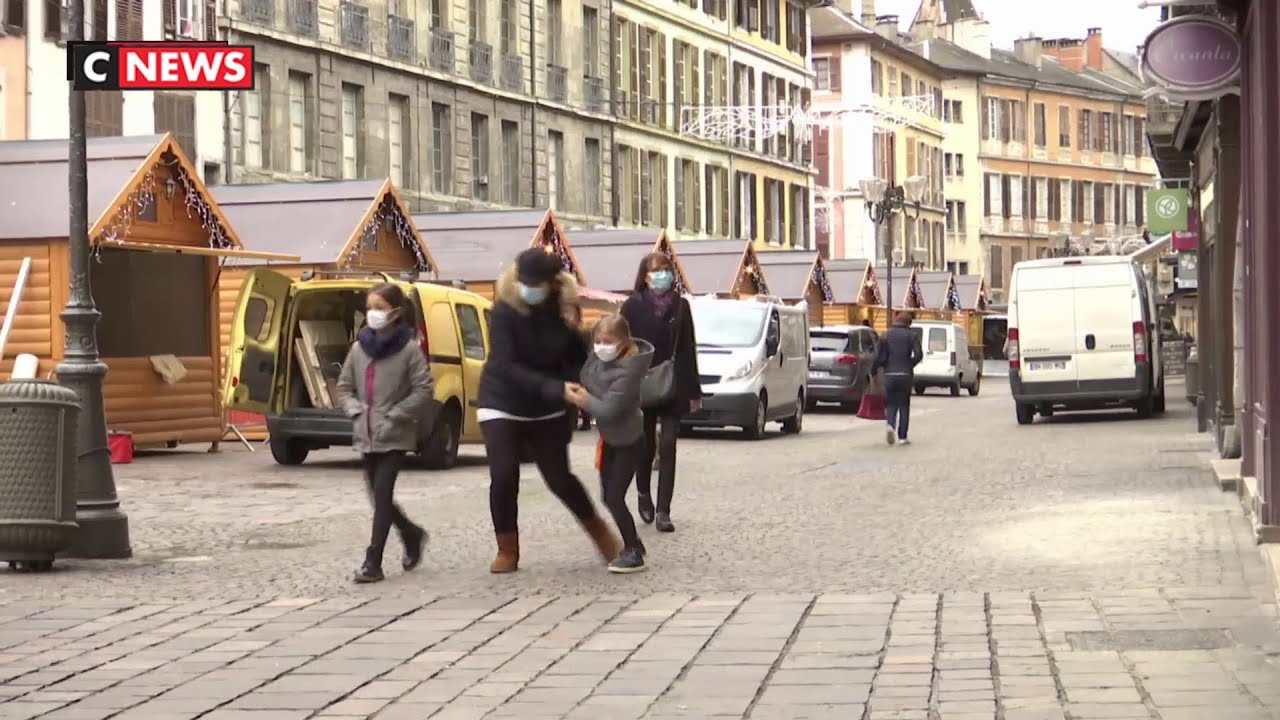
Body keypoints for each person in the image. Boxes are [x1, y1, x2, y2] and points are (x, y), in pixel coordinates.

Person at [477, 248, 621, 573]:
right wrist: (556, 388)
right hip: (502, 401)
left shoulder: (562, 311)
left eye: (537, 283)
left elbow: (575, 358)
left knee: (559, 478)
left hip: (548, 409)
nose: (530, 288)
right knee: (503, 474)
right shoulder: (504, 312)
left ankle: (602, 536)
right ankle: (507, 549)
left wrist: (576, 346)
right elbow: (505, 364)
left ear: (552, 283)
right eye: (525, 282)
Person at [336, 283, 434, 583]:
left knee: (382, 493)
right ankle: (411, 533)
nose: (372, 314)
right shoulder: (358, 348)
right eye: (369, 308)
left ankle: (373, 562)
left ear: (395, 312)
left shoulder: (408, 349)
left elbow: (424, 389)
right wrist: (354, 410)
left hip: (394, 434)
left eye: (379, 308)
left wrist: (395, 415)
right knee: (378, 497)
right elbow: (344, 387)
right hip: (366, 433)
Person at [567, 314, 654, 573]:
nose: (601, 346)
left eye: (608, 341)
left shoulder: (630, 370)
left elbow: (609, 410)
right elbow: (584, 372)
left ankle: (633, 551)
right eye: (598, 340)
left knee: (615, 496)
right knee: (607, 496)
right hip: (609, 439)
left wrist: (583, 400)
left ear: (623, 342)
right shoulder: (598, 358)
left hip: (629, 439)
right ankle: (633, 541)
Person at [620, 253, 701, 533]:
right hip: (642, 384)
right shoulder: (631, 306)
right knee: (645, 445)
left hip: (673, 383)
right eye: (657, 270)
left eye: (667, 269)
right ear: (645, 275)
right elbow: (621, 346)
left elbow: (689, 347)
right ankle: (643, 492)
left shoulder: (681, 306)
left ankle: (664, 510)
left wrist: (694, 390)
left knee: (668, 444)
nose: (662, 274)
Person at [871, 312, 923, 446]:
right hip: (905, 375)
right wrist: (909, 364)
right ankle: (902, 437)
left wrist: (874, 371)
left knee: (891, 403)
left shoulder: (886, 334)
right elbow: (918, 354)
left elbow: (878, 355)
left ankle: (890, 425)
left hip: (889, 374)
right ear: (908, 323)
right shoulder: (912, 335)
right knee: (904, 405)